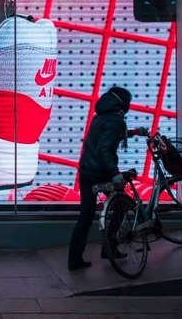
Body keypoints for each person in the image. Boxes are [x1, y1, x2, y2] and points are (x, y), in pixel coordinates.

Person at [67, 86, 146, 271]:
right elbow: (104, 149)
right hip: (101, 172)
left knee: (85, 217)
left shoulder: (101, 116)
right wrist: (115, 174)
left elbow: (108, 136)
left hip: (86, 171)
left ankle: (74, 260)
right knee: (121, 207)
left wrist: (134, 132)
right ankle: (109, 248)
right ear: (123, 103)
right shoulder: (115, 120)